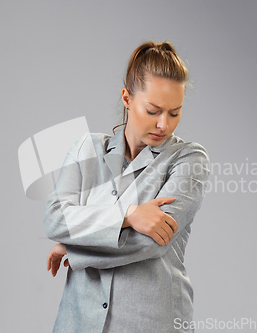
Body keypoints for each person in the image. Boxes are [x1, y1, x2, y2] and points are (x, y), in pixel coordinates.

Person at [42, 40, 210, 333]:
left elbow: (151, 242)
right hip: (78, 322)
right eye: (153, 110)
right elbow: (55, 218)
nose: (163, 125)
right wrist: (129, 215)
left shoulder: (189, 159)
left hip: (150, 323)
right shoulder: (87, 149)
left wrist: (74, 248)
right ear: (127, 98)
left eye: (174, 113)